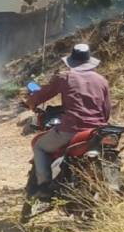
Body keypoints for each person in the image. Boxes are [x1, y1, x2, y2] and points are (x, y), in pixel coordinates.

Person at [23, 43, 112, 199]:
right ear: (89, 60)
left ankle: (44, 187)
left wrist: (31, 102)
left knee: (39, 146)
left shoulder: (65, 76)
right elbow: (107, 110)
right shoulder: (102, 80)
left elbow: (42, 94)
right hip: (97, 131)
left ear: (72, 60)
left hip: (72, 129)